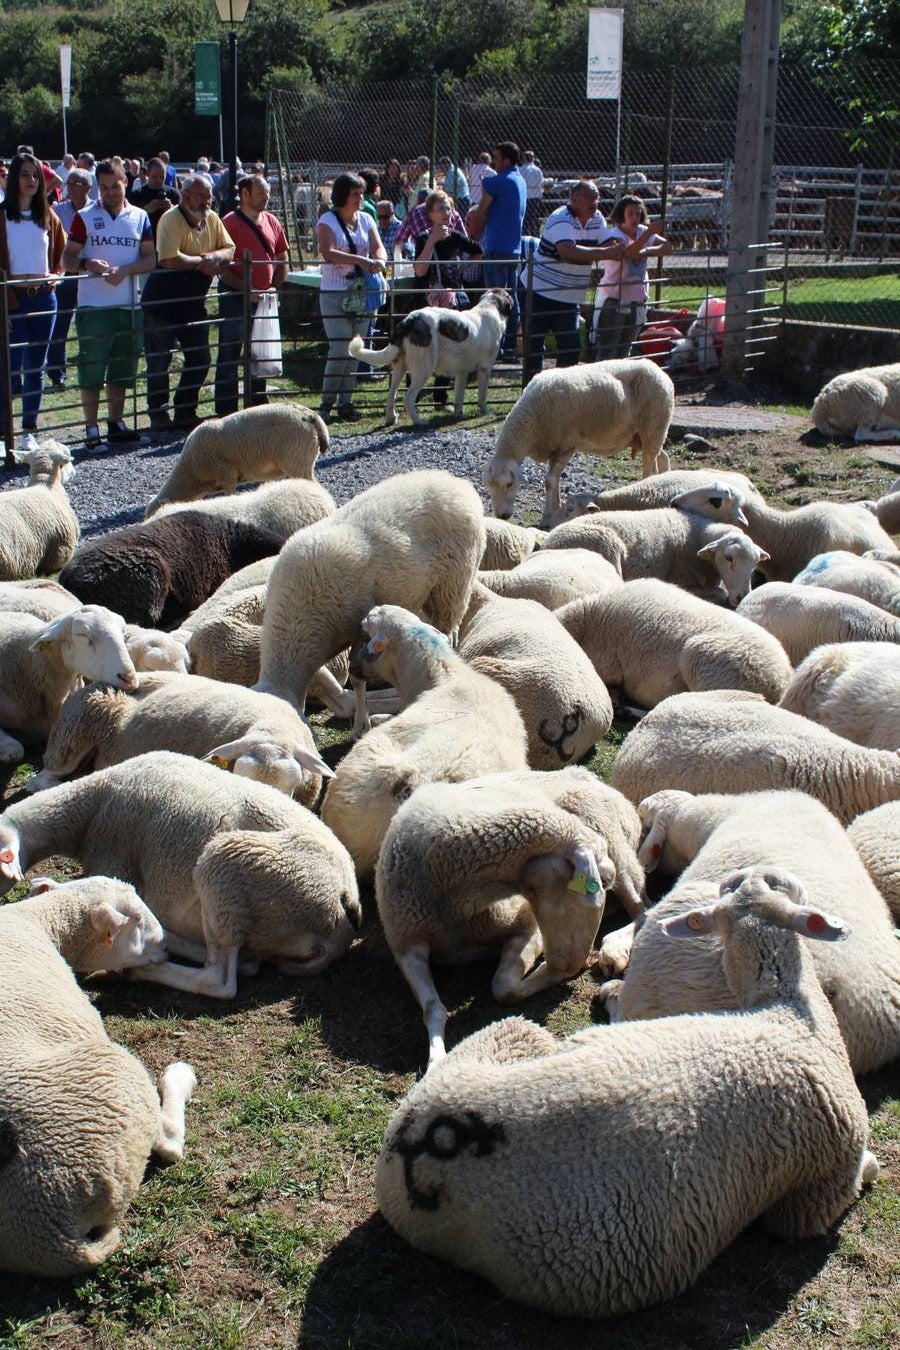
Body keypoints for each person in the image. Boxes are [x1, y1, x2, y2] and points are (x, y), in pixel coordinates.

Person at [62, 157, 156, 451]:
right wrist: (89, 264)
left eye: (115, 186)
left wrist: (126, 270)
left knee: (123, 366)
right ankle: (91, 428)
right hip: (94, 306)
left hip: (129, 305)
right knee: (92, 366)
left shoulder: (141, 217)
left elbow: (150, 258)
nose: (110, 192)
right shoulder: (85, 216)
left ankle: (116, 423)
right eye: (104, 187)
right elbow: (67, 258)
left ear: (125, 182)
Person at [140, 174, 234, 433]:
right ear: (186, 195)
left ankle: (185, 409)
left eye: (209, 196)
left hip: (193, 303)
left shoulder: (212, 219)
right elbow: (169, 259)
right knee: (159, 362)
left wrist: (213, 256)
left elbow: (229, 248)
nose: (207, 201)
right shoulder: (170, 219)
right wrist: (205, 261)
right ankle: (158, 413)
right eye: (202, 196)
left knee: (201, 358)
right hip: (161, 304)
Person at [0, 152, 66, 450]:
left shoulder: (47, 216)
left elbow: (63, 256)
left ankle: (28, 429)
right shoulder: (2, 215)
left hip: (43, 298)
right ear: (14, 178)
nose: (31, 181)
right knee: (9, 367)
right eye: (25, 174)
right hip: (11, 300)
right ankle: (4, 433)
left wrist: (57, 276)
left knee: (36, 366)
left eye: (35, 175)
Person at [523, 179, 614, 382]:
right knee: (534, 346)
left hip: (570, 296)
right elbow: (568, 252)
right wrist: (607, 252)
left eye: (596, 197)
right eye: (588, 197)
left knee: (571, 347)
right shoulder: (560, 218)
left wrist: (631, 243)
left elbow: (610, 244)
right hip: (539, 291)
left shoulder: (597, 218)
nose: (595, 202)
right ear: (573, 200)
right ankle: (530, 394)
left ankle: (563, 393)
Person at [214, 173, 288, 418]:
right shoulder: (229, 223)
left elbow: (282, 258)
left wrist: (273, 287)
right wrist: (248, 289)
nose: (266, 198)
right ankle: (226, 410)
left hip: (265, 299)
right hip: (236, 296)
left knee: (261, 352)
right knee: (230, 351)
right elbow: (223, 268)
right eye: (261, 193)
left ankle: (257, 406)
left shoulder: (272, 221)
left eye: (267, 193)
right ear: (245, 194)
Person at [315, 171, 386, 424]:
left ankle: (346, 403)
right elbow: (328, 252)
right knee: (339, 348)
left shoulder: (366, 218)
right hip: (335, 292)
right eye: (355, 194)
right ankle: (325, 404)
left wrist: (379, 260)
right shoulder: (327, 220)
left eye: (361, 194)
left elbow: (378, 246)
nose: (360, 198)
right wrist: (361, 260)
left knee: (355, 349)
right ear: (343, 195)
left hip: (362, 293)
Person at [412, 189, 483, 409]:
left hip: (453, 300)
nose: (446, 212)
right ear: (430, 214)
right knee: (424, 347)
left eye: (449, 208)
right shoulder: (423, 237)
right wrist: (431, 241)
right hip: (428, 302)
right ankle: (412, 393)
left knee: (450, 346)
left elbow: (478, 251)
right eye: (441, 208)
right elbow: (420, 271)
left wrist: (460, 270)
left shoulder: (456, 236)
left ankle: (440, 398)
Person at [592, 194, 672, 361]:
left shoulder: (642, 232)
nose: (635, 218)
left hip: (636, 298)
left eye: (638, 214)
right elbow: (627, 253)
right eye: (630, 214)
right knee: (608, 349)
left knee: (625, 349)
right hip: (614, 298)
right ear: (622, 215)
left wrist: (647, 251)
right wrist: (649, 232)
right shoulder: (613, 235)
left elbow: (667, 247)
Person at [466, 141, 526, 361]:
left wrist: (482, 212)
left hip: (496, 247)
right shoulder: (519, 180)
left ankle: (496, 346)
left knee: (494, 297)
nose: (493, 162)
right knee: (512, 298)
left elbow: (480, 210)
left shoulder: (499, 181)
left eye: (497, 158)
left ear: (506, 160)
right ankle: (509, 346)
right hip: (513, 248)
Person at [46, 168, 93, 391]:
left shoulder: (96, 210)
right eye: (69, 184)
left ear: (88, 188)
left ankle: (92, 370)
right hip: (66, 273)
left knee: (89, 323)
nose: (71, 188)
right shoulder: (56, 210)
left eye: (76, 184)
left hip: (90, 274)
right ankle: (57, 374)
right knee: (61, 324)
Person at [128, 157, 181, 243]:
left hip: (169, 240)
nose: (158, 180)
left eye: (161, 177)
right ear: (148, 174)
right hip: (144, 241)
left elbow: (183, 220)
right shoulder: (136, 195)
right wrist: (146, 210)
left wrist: (172, 209)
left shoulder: (174, 194)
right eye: (154, 176)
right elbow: (129, 222)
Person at [520, 150, 545, 235]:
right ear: (533, 159)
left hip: (524, 196)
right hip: (535, 197)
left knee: (523, 218)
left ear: (524, 158)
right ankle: (533, 234)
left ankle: (524, 234)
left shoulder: (521, 169)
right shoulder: (538, 170)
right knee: (533, 218)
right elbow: (541, 184)